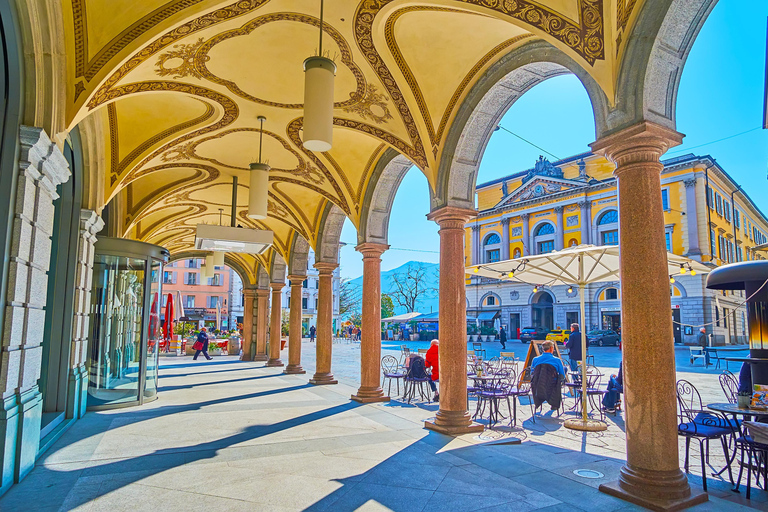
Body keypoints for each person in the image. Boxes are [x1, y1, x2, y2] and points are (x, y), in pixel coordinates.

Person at [531, 341, 565, 411]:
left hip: (538, 385)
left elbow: (532, 373)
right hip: (552, 385)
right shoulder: (556, 360)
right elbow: (562, 375)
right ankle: (554, 405)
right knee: (564, 369)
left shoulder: (535, 359)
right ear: (551, 348)